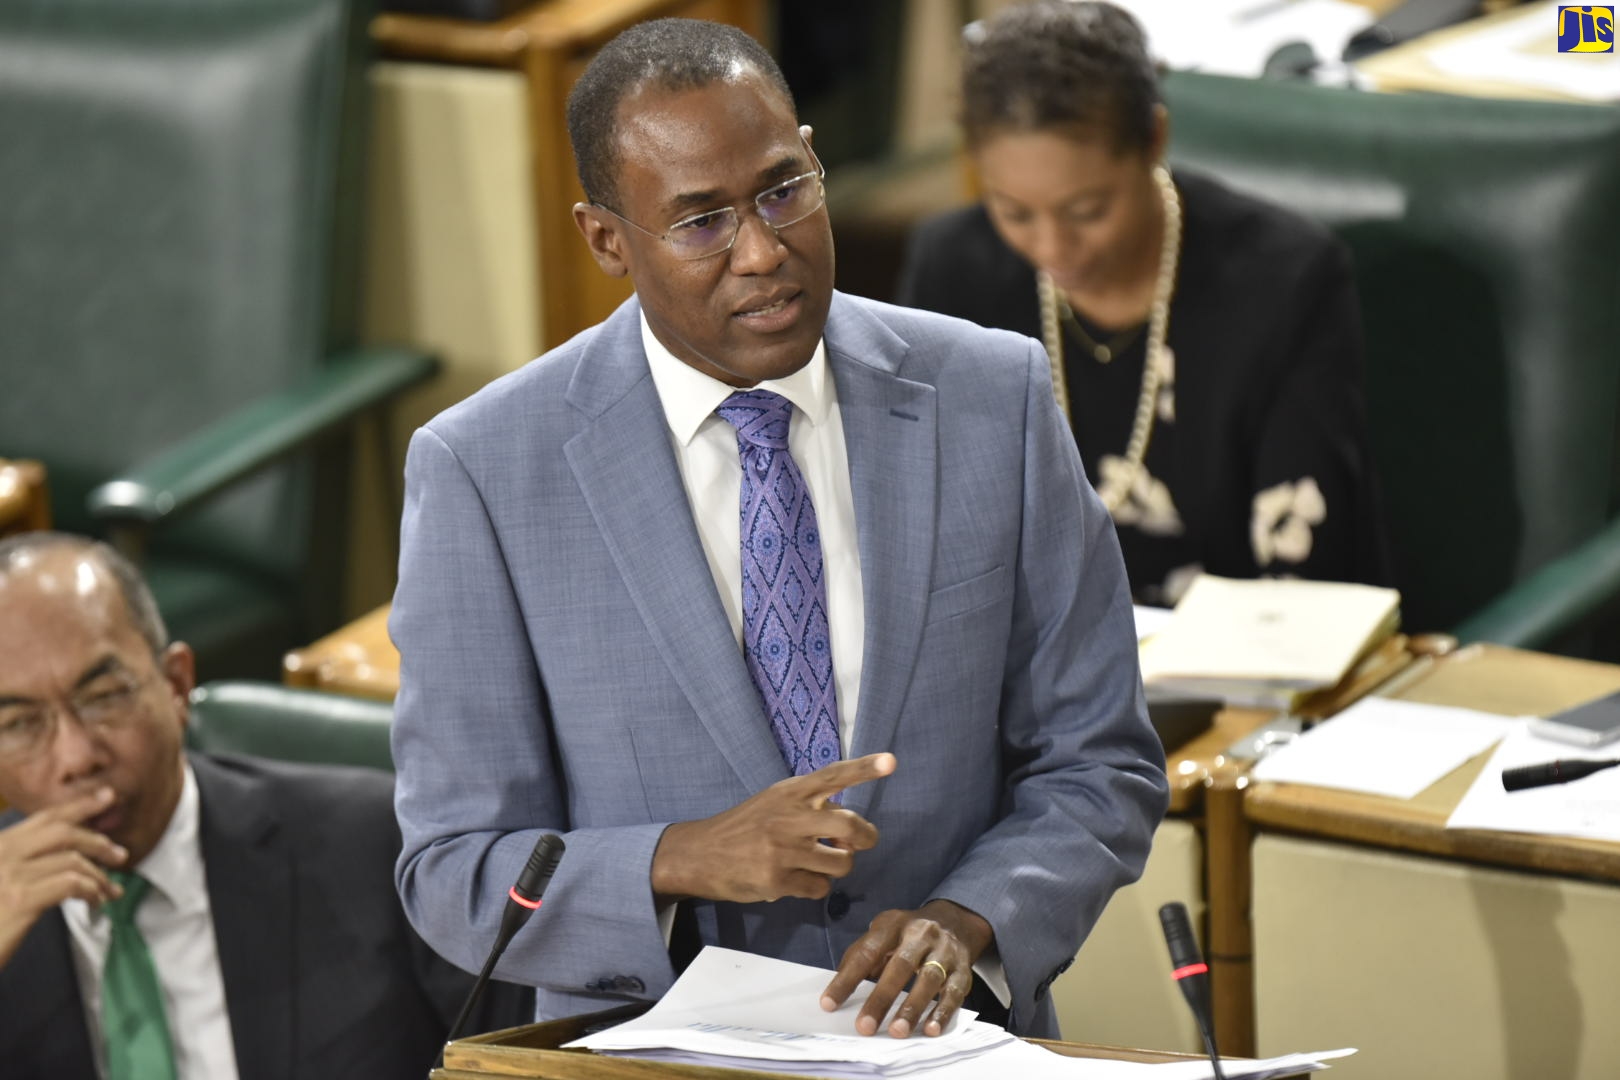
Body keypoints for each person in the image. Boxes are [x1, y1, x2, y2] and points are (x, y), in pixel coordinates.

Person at [389, 17, 1168, 1041]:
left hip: (950, 1044)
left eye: (784, 190)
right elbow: (453, 868)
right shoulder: (485, 470)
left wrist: (970, 919)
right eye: (702, 221)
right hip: (651, 1050)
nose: (763, 250)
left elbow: (1098, 760)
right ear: (607, 239)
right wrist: (679, 857)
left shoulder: (994, 397)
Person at [897, 1, 1390, 607]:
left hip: (1237, 667)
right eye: (1015, 212)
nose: (1052, 247)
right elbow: (920, 525)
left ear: (1154, 139)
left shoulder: (1283, 282)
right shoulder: (955, 271)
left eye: (1088, 211)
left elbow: (1307, 582)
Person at [0, 532, 528, 1080]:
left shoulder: (380, 852)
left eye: (103, 697)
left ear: (177, 684)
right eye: (19, 724)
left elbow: (526, 1057)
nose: (76, 756)